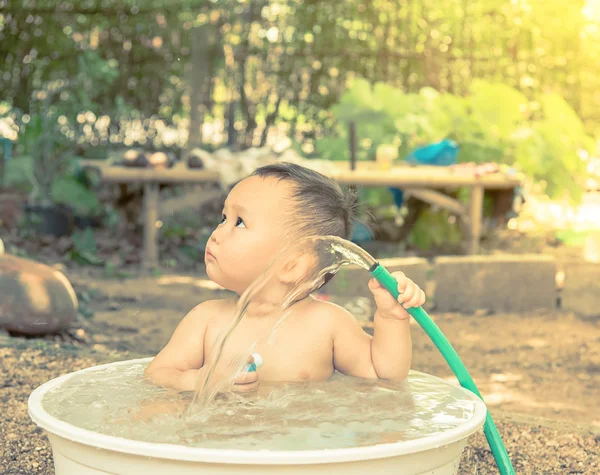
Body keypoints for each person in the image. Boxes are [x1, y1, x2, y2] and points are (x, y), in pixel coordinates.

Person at [145, 163, 425, 393]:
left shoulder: (327, 324)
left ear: (294, 265)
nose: (217, 232)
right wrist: (196, 381)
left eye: (239, 222)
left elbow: (384, 375)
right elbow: (156, 375)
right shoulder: (206, 320)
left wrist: (391, 319)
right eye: (223, 218)